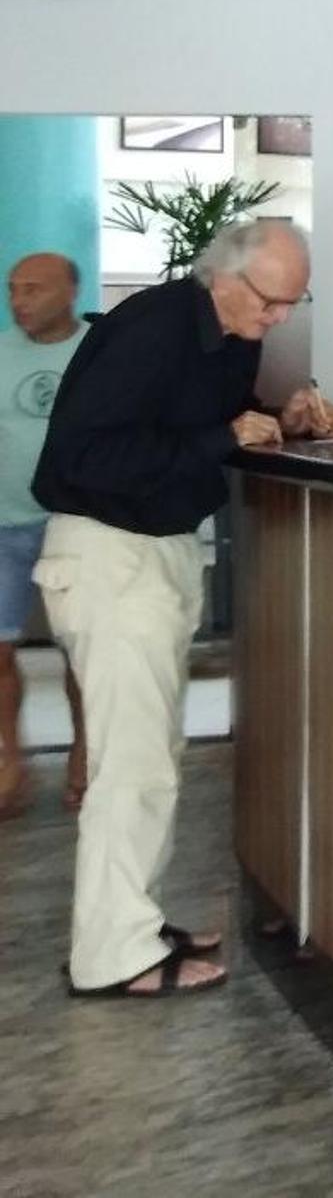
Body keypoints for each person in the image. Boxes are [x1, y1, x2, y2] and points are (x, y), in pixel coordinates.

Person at [34, 220, 333, 999]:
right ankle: (113, 956)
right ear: (223, 275)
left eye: (292, 305)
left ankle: (132, 923)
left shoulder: (231, 337)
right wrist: (220, 435)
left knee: (151, 757)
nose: (278, 318)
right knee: (129, 768)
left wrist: (277, 420)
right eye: (270, 301)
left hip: (156, 553)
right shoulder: (155, 326)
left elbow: (208, 426)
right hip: (108, 553)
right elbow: (82, 456)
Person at [1, 252, 90, 819]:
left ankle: (83, 753)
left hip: (75, 525)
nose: (19, 301)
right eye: (13, 289)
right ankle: (9, 757)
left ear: (70, 292)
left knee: (80, 651)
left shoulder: (99, 352)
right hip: (4, 524)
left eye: (33, 289)